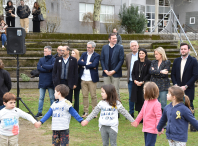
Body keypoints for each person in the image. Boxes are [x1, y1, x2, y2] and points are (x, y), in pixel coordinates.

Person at [171, 42, 198, 132]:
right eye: (181, 49)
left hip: (188, 87)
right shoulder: (176, 61)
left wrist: (186, 86)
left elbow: (195, 75)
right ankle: (179, 125)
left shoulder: (193, 61)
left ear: (189, 50)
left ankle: (193, 126)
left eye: (185, 49)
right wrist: (175, 85)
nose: (183, 50)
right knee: (177, 105)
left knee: (189, 105)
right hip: (177, 88)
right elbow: (173, 74)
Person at [132, 82, 162, 146]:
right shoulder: (146, 101)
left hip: (152, 129)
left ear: (149, 92)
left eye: (144, 90)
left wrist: (160, 128)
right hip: (146, 128)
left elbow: (159, 117)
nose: (143, 92)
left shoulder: (156, 104)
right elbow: (142, 112)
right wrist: (137, 121)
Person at [78, 41, 100, 118]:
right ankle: (85, 112)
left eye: (89, 47)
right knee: (84, 96)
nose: (88, 49)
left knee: (93, 96)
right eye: (87, 47)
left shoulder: (96, 55)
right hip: (83, 78)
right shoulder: (84, 54)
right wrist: (88, 64)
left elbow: (94, 64)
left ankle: (94, 112)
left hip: (92, 79)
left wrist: (84, 65)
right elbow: (79, 62)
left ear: (93, 48)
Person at [100, 33, 124, 101]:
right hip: (106, 73)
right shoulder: (104, 47)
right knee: (106, 91)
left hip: (116, 73)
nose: (115, 40)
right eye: (113, 38)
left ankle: (117, 108)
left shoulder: (120, 47)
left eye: (116, 38)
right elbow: (102, 59)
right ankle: (107, 107)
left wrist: (114, 71)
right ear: (109, 39)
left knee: (115, 91)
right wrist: (105, 70)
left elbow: (121, 60)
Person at [35, 46, 55, 117]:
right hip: (42, 81)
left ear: (50, 52)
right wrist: (47, 69)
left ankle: (53, 112)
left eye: (45, 51)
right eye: (44, 51)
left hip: (50, 81)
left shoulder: (53, 59)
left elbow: (53, 67)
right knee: (41, 97)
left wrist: (43, 66)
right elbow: (38, 68)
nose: (44, 52)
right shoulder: (41, 59)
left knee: (52, 97)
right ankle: (39, 112)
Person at [149, 47, 171, 112]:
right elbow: (150, 72)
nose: (155, 56)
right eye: (155, 54)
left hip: (163, 86)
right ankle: (157, 118)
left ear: (161, 54)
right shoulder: (153, 62)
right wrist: (160, 71)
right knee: (155, 103)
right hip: (154, 85)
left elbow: (165, 74)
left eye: (156, 54)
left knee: (163, 103)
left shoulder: (167, 62)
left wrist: (155, 71)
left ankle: (164, 119)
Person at [131, 48, 151, 113]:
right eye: (140, 53)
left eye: (142, 53)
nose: (141, 54)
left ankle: (145, 115)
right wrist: (135, 81)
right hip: (136, 84)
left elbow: (149, 74)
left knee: (144, 100)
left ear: (145, 54)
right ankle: (140, 116)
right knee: (138, 100)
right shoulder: (136, 62)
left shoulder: (149, 63)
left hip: (145, 84)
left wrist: (143, 82)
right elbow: (133, 73)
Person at [126, 40, 139, 118]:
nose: (134, 47)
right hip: (131, 80)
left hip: (140, 80)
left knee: (140, 97)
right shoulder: (128, 56)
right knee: (131, 97)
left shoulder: (141, 54)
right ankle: (131, 113)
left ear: (138, 46)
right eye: (132, 46)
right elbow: (128, 66)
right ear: (130, 47)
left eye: (135, 45)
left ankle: (140, 113)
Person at [71, 49, 81, 113]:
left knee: (76, 97)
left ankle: (76, 110)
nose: (72, 54)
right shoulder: (70, 61)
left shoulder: (79, 63)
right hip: (70, 82)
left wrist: (75, 83)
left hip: (77, 82)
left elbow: (79, 74)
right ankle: (70, 110)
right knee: (69, 96)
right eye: (71, 53)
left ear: (76, 54)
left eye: (73, 53)